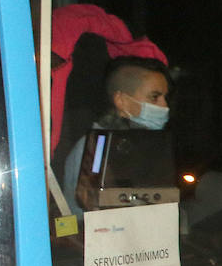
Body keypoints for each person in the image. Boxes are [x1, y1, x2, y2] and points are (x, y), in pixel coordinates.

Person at [61, 57, 171, 215]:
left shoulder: (144, 144)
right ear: (121, 100)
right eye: (154, 97)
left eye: (164, 97)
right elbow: (94, 208)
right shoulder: (97, 147)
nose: (164, 106)